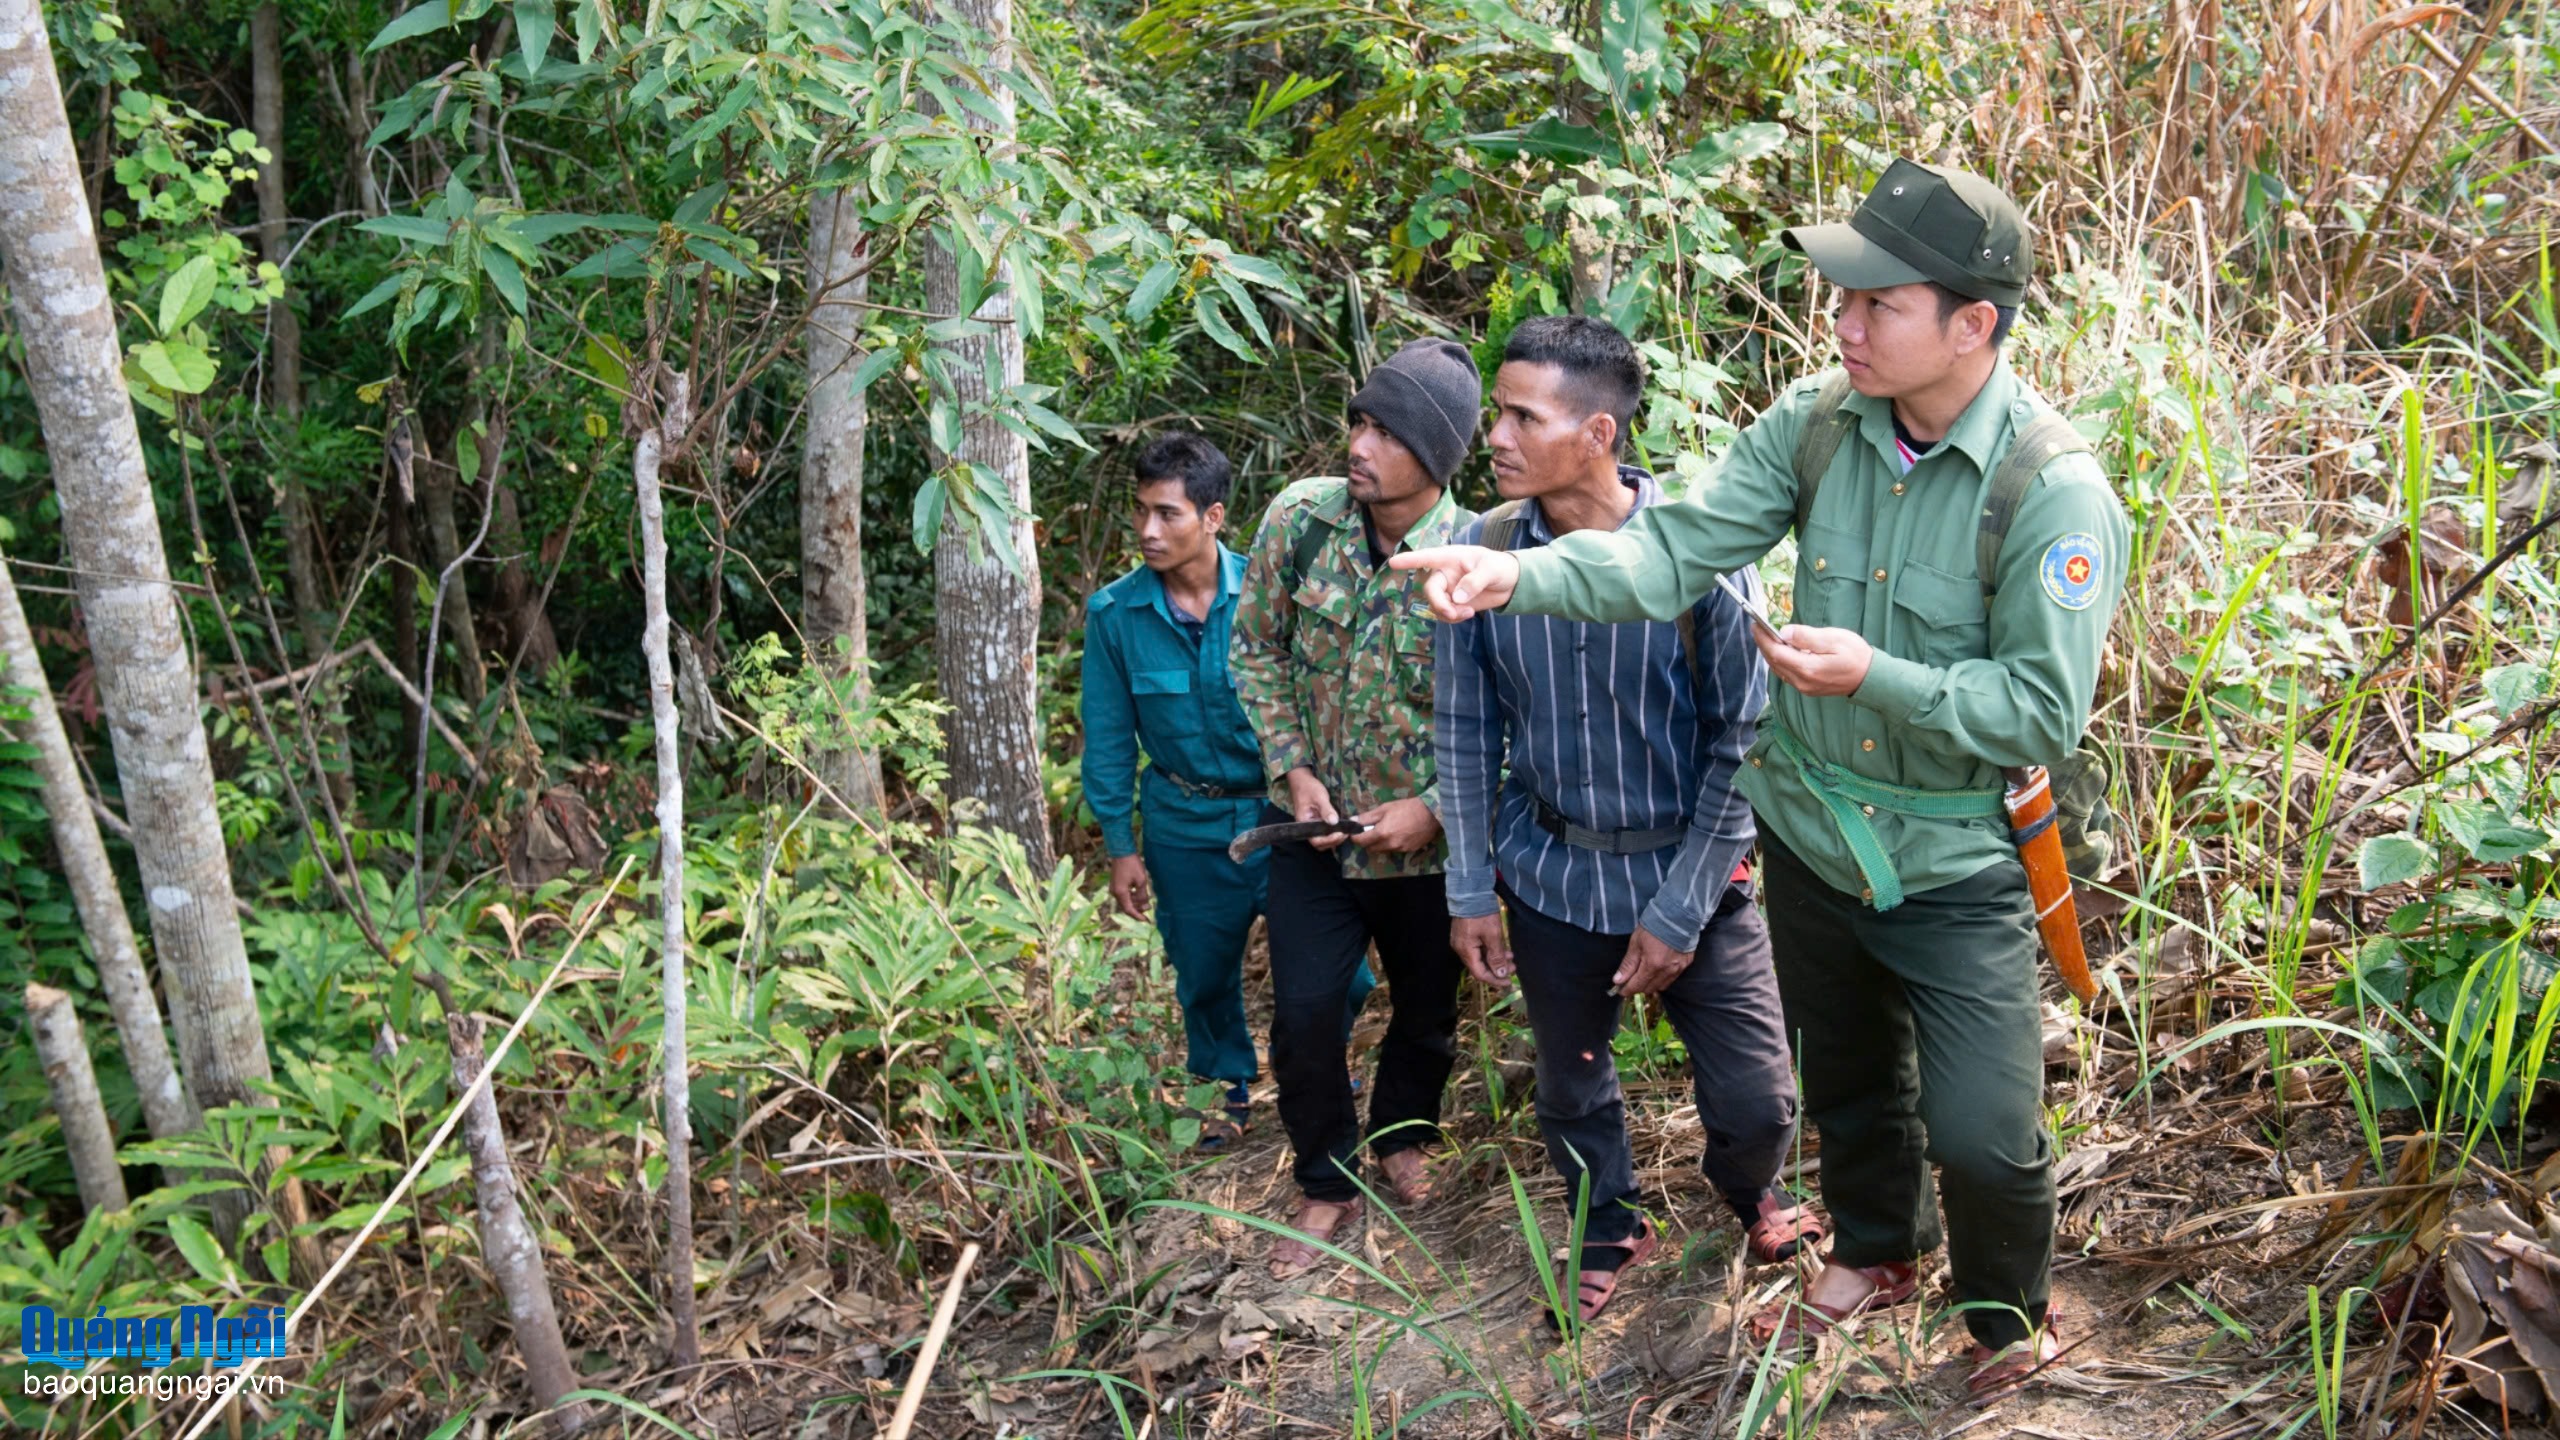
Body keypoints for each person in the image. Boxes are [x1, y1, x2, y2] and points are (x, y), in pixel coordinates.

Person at [1392, 160, 2130, 1398]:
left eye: (1877, 303)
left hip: (1954, 855)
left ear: (1971, 324)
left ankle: (2006, 1316)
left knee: (1985, 1132)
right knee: (1844, 1077)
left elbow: (2043, 710)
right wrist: (1519, 574)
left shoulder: (2048, 491)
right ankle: (1879, 1250)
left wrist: (1876, 677)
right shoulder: (1819, 423)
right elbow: (1671, 552)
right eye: (1841, 297)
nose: (1844, 323)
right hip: (1809, 833)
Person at [1436, 316, 1823, 1328]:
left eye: (1525, 417)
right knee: (1569, 1088)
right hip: (1552, 874)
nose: (1496, 437)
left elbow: (1744, 742)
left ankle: (1751, 1189)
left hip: (1693, 869)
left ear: (1599, 433)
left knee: (1758, 1101)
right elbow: (1465, 730)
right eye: (1498, 413)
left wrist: (1681, 911)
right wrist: (1470, 888)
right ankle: (1605, 1222)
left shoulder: (1700, 560)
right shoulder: (1481, 552)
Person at [1230, 338, 1480, 1279]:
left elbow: (1517, 714)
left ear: (1437, 455)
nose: (1360, 445)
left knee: (1426, 1010)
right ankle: (1324, 1176)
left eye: (1387, 433)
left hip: (1426, 852)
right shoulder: (1302, 519)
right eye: (1360, 422)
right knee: (1303, 1013)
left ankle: (1403, 1136)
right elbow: (1256, 649)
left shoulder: (1483, 554)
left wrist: (1436, 809)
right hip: (1314, 841)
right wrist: (1293, 768)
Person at [1079, 433, 1372, 1147]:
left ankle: (1321, 1060)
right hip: (1184, 822)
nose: (1148, 530)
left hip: (1284, 813)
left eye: (1168, 514)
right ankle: (1223, 1087)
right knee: (1203, 971)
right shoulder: (1115, 616)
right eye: (1141, 511)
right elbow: (1109, 737)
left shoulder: (1271, 594)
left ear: (1213, 517)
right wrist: (1120, 846)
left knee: (1343, 973)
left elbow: (1325, 703)